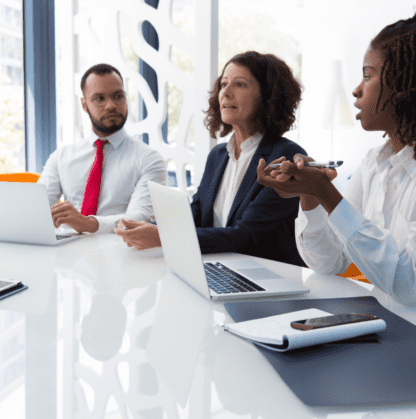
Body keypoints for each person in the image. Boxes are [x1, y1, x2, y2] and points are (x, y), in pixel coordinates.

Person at [257, 14, 416, 305]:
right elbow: (331, 262)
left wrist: (327, 194)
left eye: (368, 76)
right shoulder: (373, 164)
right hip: (380, 325)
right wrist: (312, 198)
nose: (356, 89)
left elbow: (410, 285)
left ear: (404, 86)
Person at [116, 51, 307, 266]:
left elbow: (246, 236)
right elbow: (198, 214)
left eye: (240, 84)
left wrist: (163, 237)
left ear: (267, 95)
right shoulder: (218, 156)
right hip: (220, 268)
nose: (225, 93)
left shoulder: (286, 158)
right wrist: (149, 227)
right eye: (223, 84)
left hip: (268, 280)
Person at [38, 63, 166, 233]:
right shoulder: (61, 156)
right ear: (84, 105)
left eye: (118, 96)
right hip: (66, 253)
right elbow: (37, 209)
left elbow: (140, 217)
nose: (111, 105)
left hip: (122, 253)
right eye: (99, 99)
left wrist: (89, 224)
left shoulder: (149, 159)